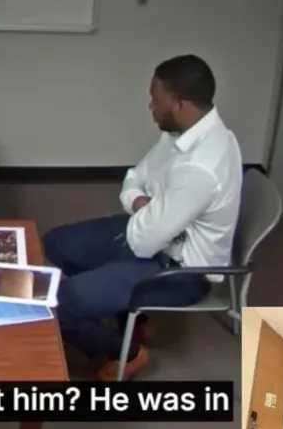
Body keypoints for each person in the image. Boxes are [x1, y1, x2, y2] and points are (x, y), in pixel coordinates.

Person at [41, 54, 243, 381]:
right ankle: (126, 313)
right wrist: (142, 204)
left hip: (180, 271)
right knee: (56, 243)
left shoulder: (200, 167)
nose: (150, 105)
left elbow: (141, 241)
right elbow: (135, 177)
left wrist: (146, 212)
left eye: (156, 98)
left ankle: (127, 354)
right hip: (156, 237)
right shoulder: (181, 132)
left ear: (180, 104)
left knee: (56, 302)